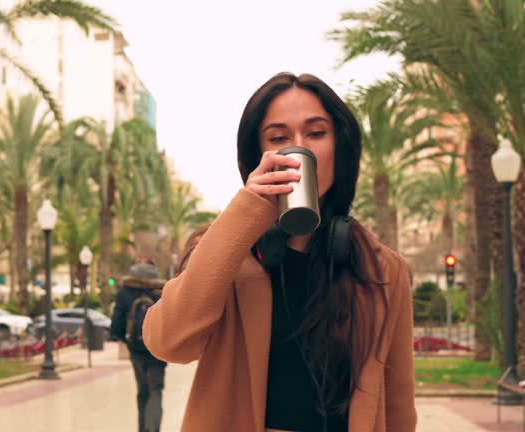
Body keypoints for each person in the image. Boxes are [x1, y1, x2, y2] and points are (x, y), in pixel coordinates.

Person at [143, 72, 417, 432]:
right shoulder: (225, 251)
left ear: (341, 147)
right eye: (279, 138)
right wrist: (245, 212)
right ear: (258, 155)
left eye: (316, 133)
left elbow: (398, 403)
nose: (298, 149)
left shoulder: (382, 268)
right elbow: (168, 342)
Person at [111, 260, 168, 432]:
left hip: (136, 350)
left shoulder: (125, 291)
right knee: (156, 390)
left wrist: (127, 340)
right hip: (157, 351)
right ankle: (153, 428)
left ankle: (143, 429)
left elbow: (116, 323)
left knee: (142, 391)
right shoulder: (160, 291)